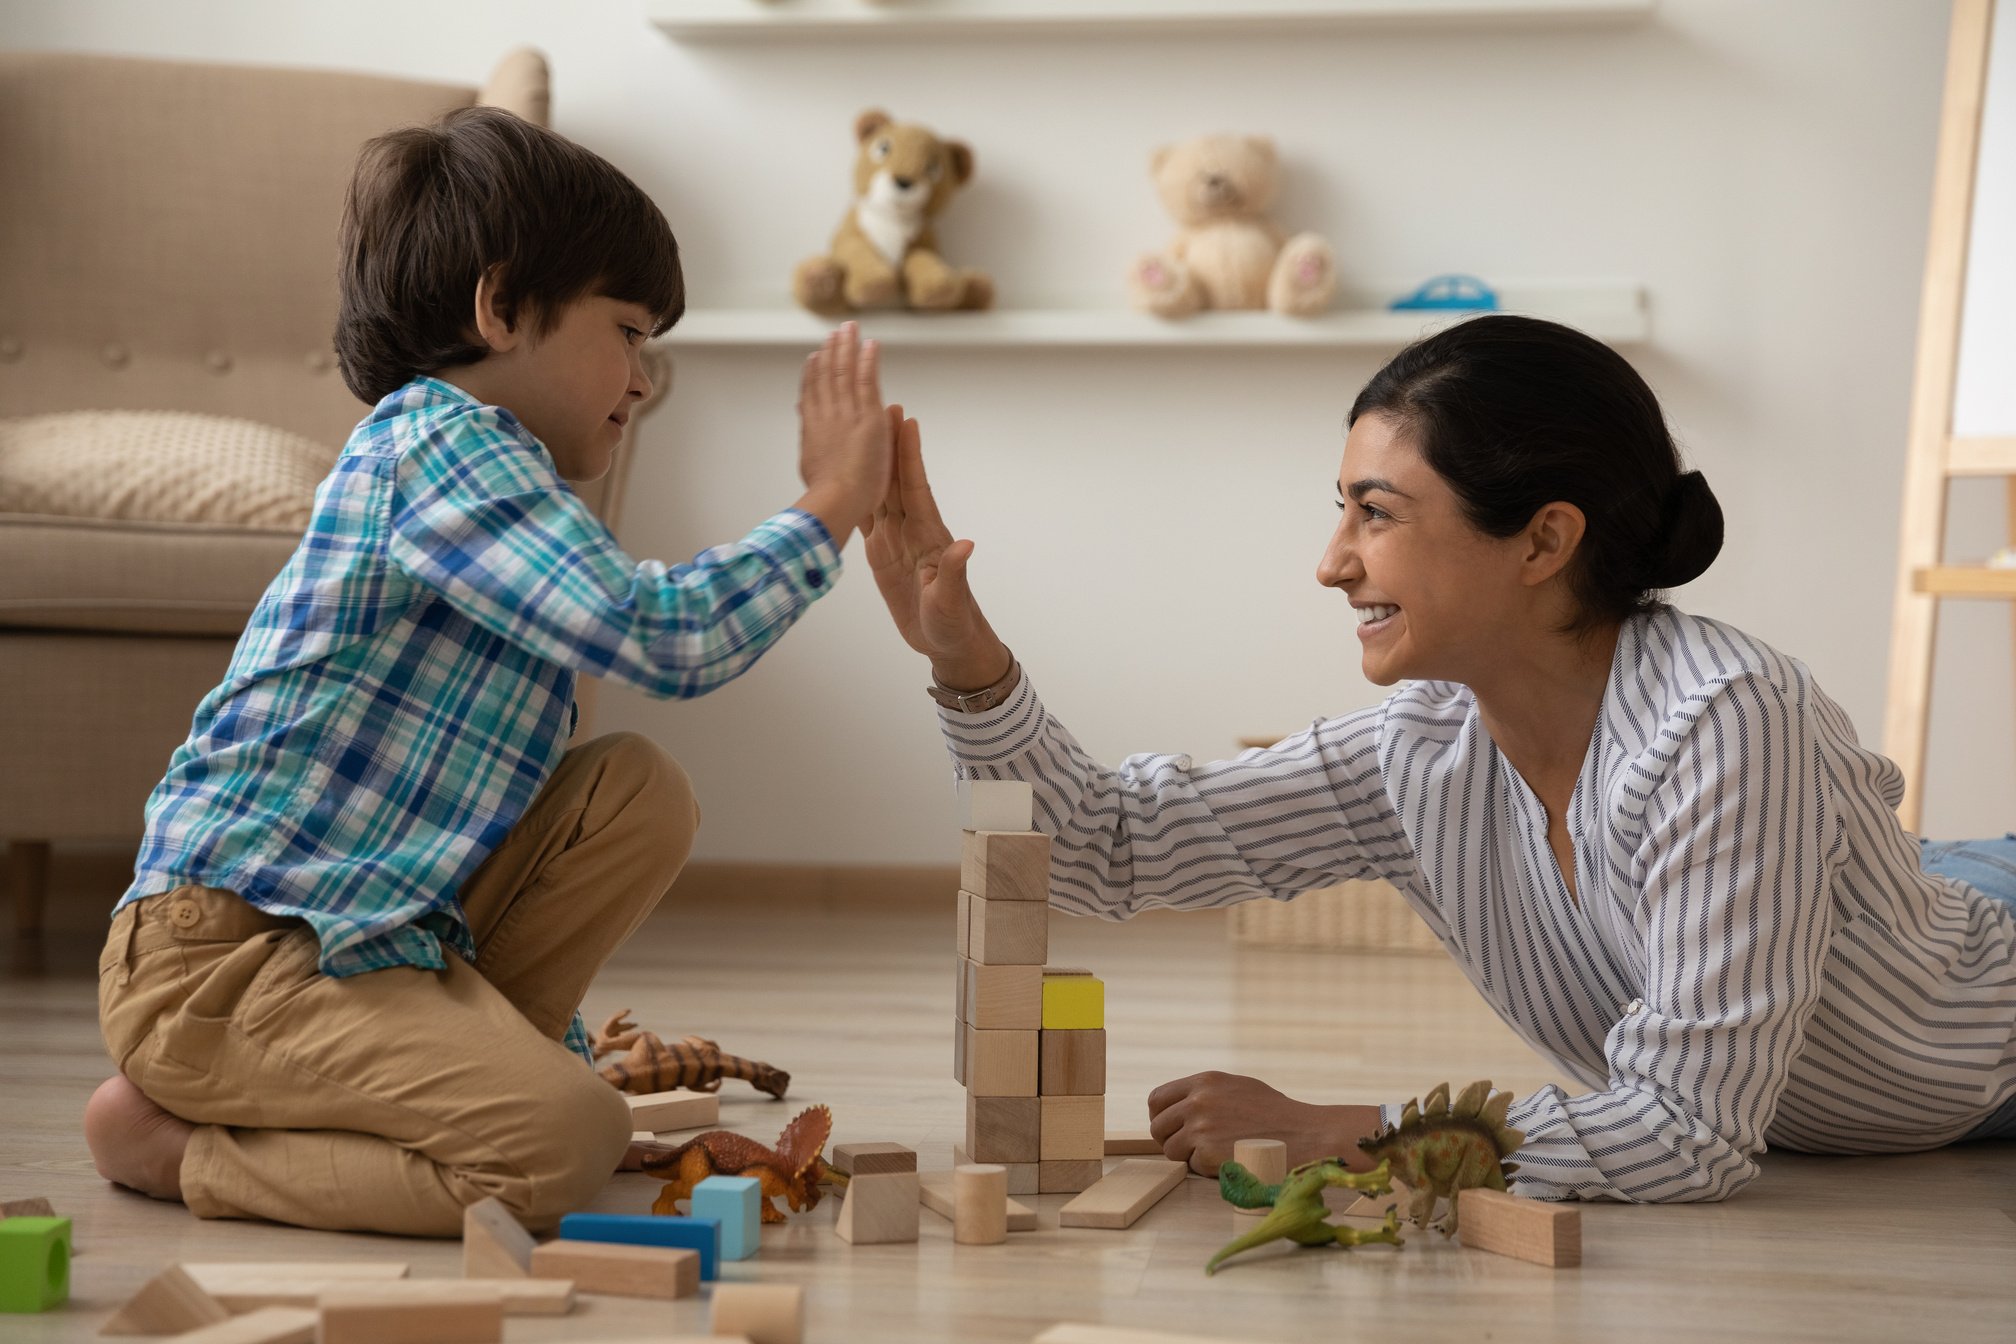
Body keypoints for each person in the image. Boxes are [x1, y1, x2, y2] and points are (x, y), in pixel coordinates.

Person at [868, 314, 2016, 1202]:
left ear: (1544, 539)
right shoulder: (1422, 747)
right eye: (1342, 510)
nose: (1331, 562)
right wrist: (963, 657)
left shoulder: (1726, 719)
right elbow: (1100, 854)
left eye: (1376, 513)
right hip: (1901, 899)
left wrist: (1357, 1132)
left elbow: (1687, 1136)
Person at [83, 106, 896, 1235]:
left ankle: (497, 1092)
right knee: (561, 1150)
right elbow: (666, 637)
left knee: (633, 790)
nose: (643, 377)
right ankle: (178, 1152)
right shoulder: (441, 443)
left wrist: (545, 1065)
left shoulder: (497, 486)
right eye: (626, 329)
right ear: (501, 308)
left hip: (366, 943)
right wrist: (831, 506)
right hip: (233, 962)